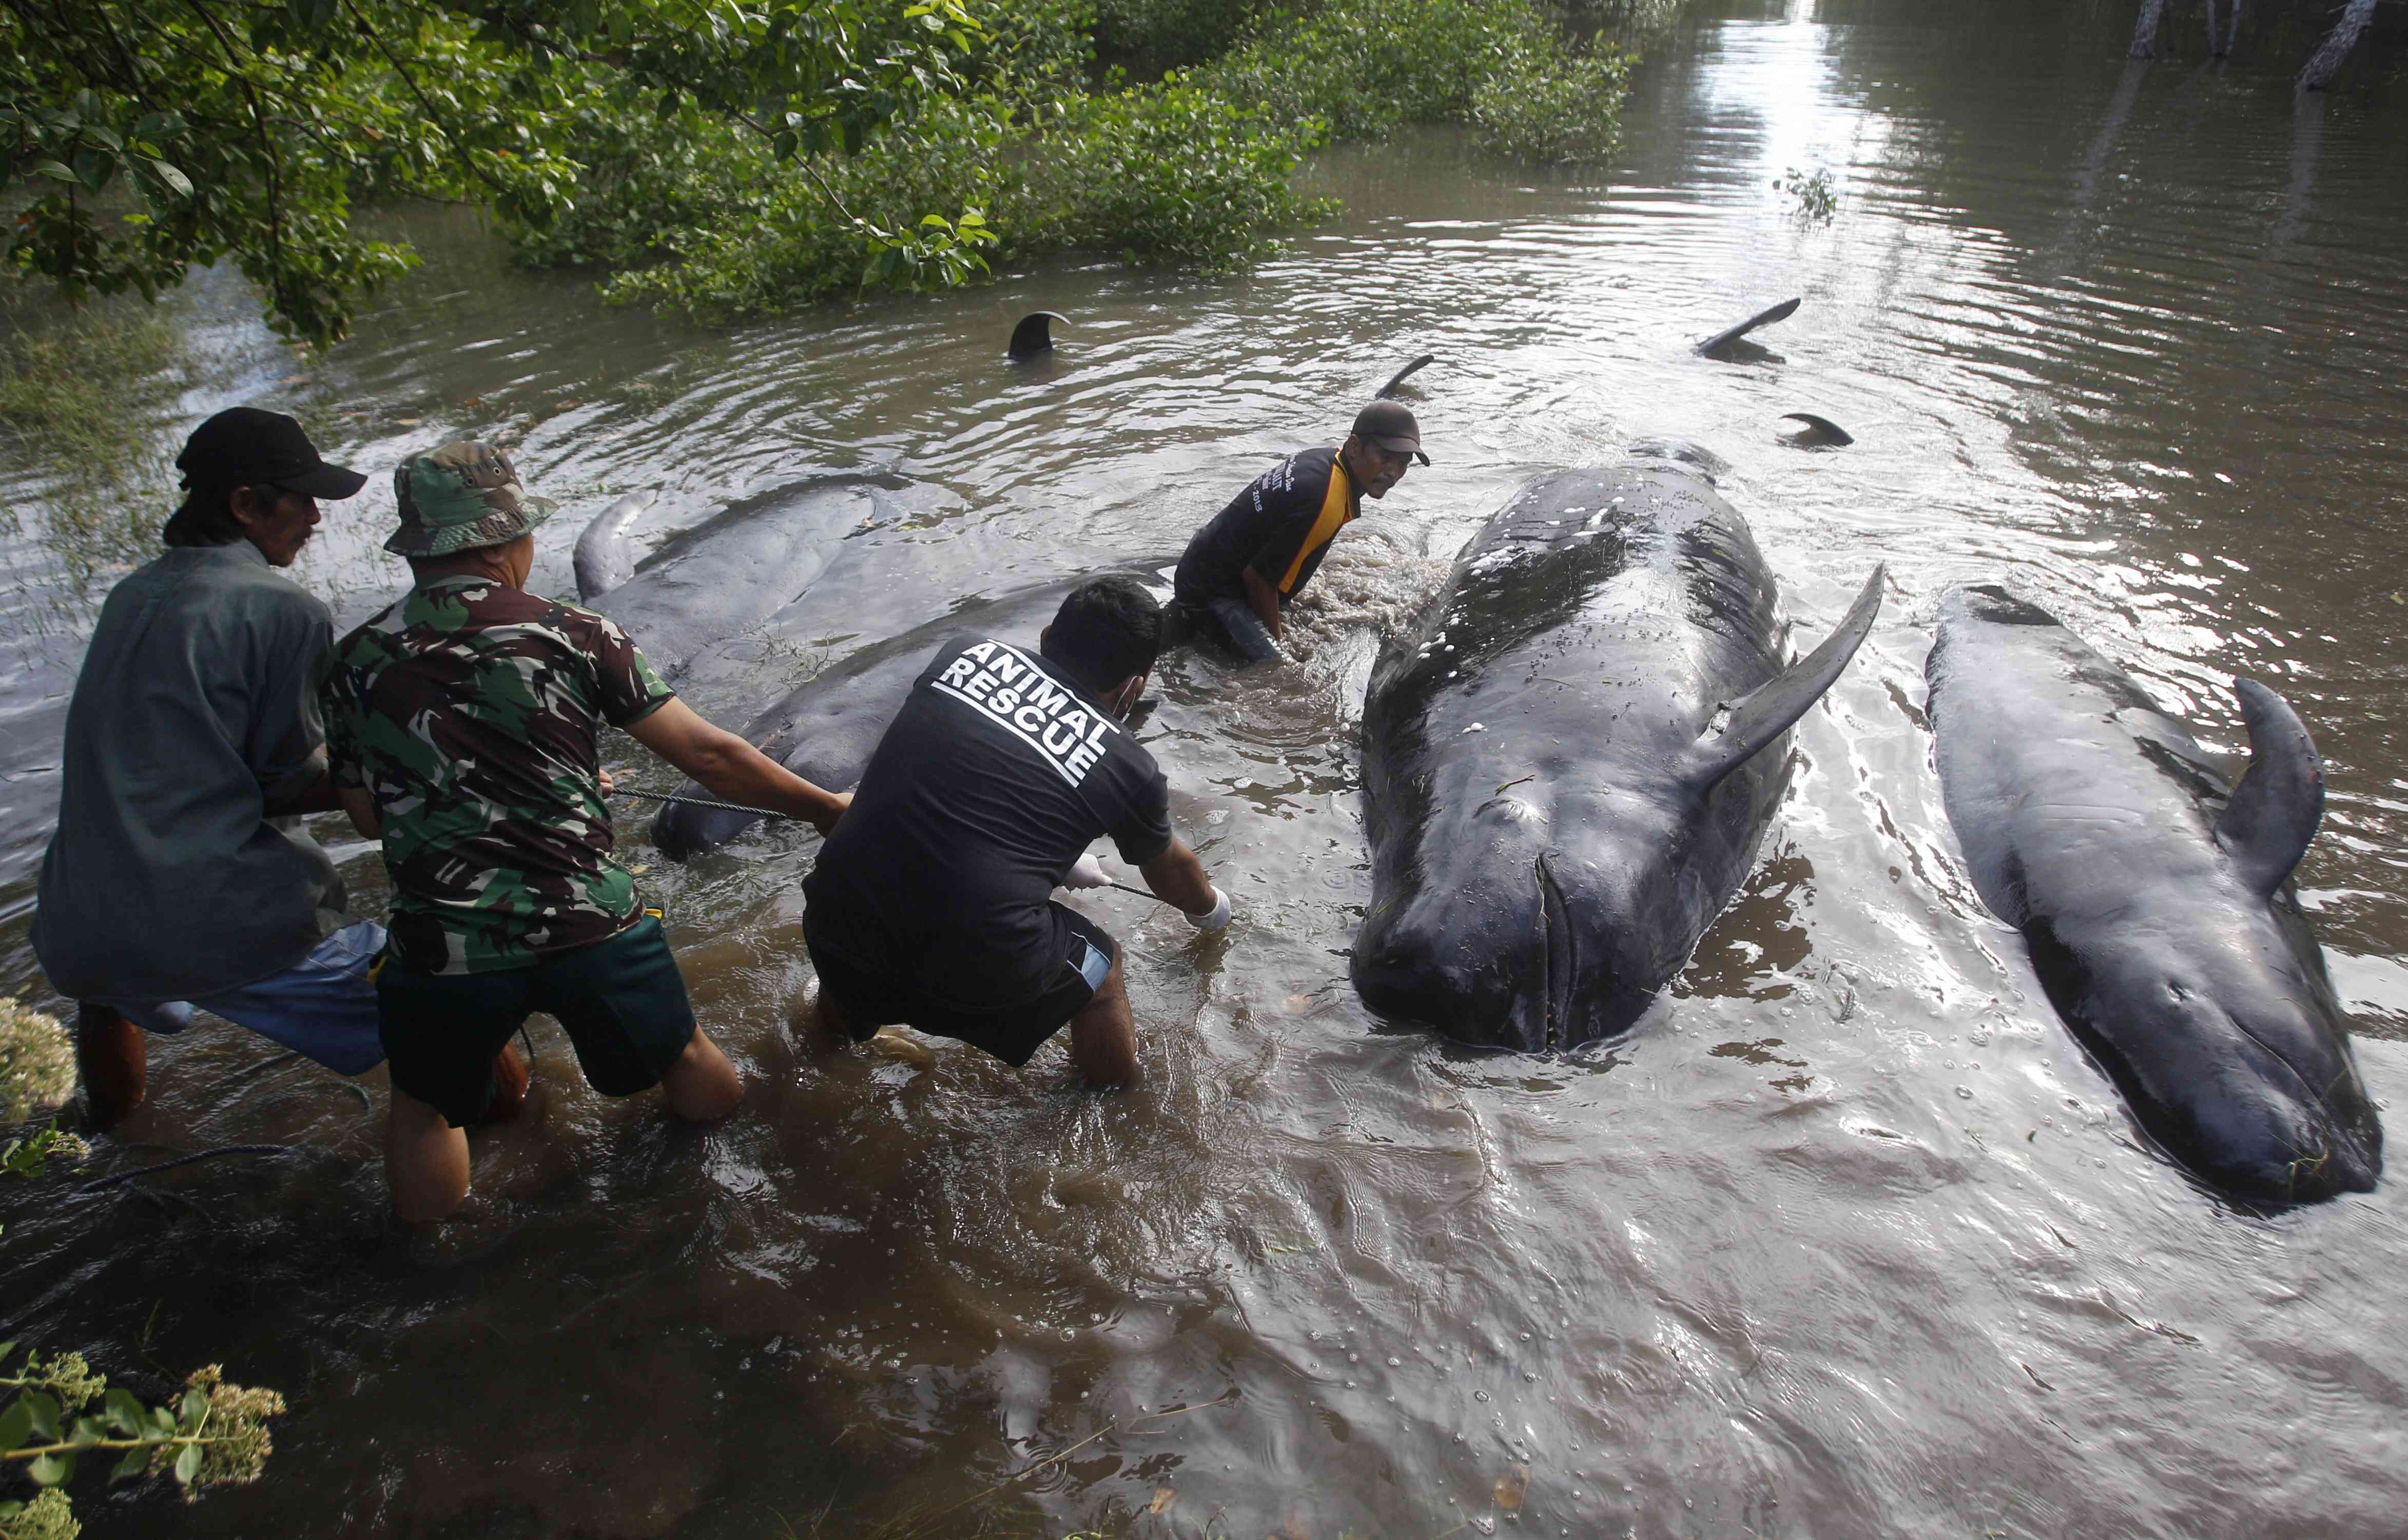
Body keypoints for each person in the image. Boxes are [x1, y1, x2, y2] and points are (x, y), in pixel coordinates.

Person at [319, 440, 850, 1224]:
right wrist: (825, 810)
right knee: (689, 1060)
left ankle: (430, 1266)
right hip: (584, 923)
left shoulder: (352, 662)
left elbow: (368, 815)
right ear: (504, 543)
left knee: (424, 1108)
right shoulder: (574, 633)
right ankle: (725, 1207)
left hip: (443, 944)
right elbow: (710, 755)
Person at [26, 407, 525, 1129]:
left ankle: (113, 1138)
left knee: (106, 997)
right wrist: (429, 774)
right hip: (214, 911)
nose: (316, 517)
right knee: (445, 1004)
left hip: (79, 913)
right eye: (302, 498)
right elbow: (288, 777)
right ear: (246, 504)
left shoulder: (132, 592)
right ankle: (528, 1146)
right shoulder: (282, 608)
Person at [800, 576, 1228, 1085]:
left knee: (872, 867)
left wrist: (1058, 858)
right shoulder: (1128, 765)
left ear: (1048, 637)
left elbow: (958, 778)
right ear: (1137, 684)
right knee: (1103, 969)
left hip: (831, 931)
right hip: (971, 977)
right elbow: (1171, 872)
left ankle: (825, 1047)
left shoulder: (963, 653)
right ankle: (1117, 1106)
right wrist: (1214, 914)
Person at [1171, 399, 1429, 666]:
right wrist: (1278, 640)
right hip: (1212, 592)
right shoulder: (1324, 499)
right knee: (1279, 670)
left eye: (1403, 464)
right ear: (1354, 447)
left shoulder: (1327, 463)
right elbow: (1259, 580)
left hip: (1205, 560)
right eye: (1386, 458)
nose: (1393, 473)